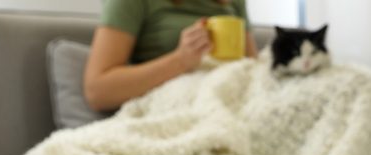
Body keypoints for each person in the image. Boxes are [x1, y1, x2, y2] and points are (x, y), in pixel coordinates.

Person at [84, 0, 258, 112]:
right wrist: (180, 61)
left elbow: (255, 71)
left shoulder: (233, 2)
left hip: (234, 105)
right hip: (174, 108)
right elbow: (97, 91)